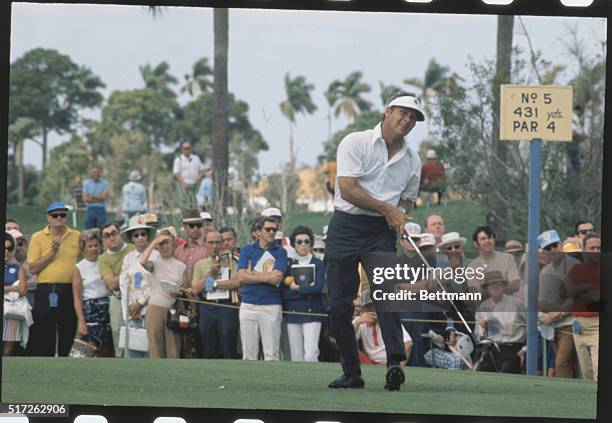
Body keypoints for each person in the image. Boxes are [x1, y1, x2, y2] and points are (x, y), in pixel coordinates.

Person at [325, 90, 424, 391]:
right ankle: (351, 374)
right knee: (339, 306)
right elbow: (348, 188)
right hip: (345, 226)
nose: (407, 120)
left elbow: (407, 201)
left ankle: (395, 363)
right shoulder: (355, 142)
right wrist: (388, 210)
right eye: (402, 113)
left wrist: (401, 219)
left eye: (413, 118)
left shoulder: (412, 160)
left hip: (380, 232)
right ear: (387, 111)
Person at [27, 202, 80, 356]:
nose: (59, 218)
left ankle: (65, 366)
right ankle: (45, 365)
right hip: (46, 289)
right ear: (48, 218)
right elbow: (33, 268)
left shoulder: (76, 235)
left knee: (68, 330)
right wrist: (53, 252)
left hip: (69, 289)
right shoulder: (38, 237)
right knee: (44, 332)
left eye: (62, 215)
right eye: (55, 215)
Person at [237, 216, 288, 361]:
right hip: (248, 304)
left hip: (271, 305)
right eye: (268, 229)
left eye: (274, 229)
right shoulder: (247, 249)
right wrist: (266, 277)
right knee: (248, 354)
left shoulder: (281, 252)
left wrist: (252, 273)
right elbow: (241, 277)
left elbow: (277, 278)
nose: (272, 232)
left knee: (272, 354)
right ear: (258, 231)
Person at [190, 230, 241, 358]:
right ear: (205, 244)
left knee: (228, 345)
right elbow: (195, 290)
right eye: (211, 243)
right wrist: (210, 274)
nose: (214, 246)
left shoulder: (232, 261)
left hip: (227, 306)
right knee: (208, 346)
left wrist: (213, 284)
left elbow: (236, 283)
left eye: (218, 242)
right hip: (207, 306)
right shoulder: (200, 264)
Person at [537, 229, 579, 378]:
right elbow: (541, 300)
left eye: (554, 245)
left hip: (570, 324)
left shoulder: (575, 266)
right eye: (548, 248)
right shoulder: (544, 272)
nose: (552, 250)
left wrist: (558, 314)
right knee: (564, 365)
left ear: (561, 245)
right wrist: (542, 315)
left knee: (562, 364)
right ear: (544, 252)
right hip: (552, 328)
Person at [140, 227, 188, 359]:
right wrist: (154, 242)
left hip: (172, 309)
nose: (164, 246)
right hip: (155, 307)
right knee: (155, 347)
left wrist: (177, 293)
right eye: (161, 244)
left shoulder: (181, 266)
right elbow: (142, 261)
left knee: (173, 348)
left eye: (167, 242)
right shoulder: (154, 263)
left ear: (173, 243)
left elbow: (186, 289)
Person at [281, 226, 326, 362]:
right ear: (293, 244)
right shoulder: (288, 265)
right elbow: (284, 293)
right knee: (296, 355)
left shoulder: (318, 264)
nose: (303, 245)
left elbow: (318, 288)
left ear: (311, 243)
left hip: (313, 313)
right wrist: (306, 288)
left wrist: (297, 288)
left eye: (307, 241)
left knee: (311, 354)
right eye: (299, 242)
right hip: (293, 313)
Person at [563, 233, 600, 381]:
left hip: (598, 324)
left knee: (598, 369)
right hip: (579, 324)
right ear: (584, 250)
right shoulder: (576, 271)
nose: (596, 251)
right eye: (592, 248)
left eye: (599, 247)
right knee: (586, 373)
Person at [119, 215, 157, 358]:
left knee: (150, 352)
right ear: (131, 238)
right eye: (136, 235)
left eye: (143, 234)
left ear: (148, 236)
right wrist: (128, 310)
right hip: (131, 313)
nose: (140, 237)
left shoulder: (156, 256)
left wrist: (140, 304)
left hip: (149, 310)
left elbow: (155, 284)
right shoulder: (128, 258)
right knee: (131, 352)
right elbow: (124, 286)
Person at [474, 271, 526, 374]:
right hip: (490, 349)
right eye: (491, 285)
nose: (495, 287)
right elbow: (478, 335)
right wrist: (482, 328)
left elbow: (533, 326)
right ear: (487, 288)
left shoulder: (517, 304)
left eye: (498, 284)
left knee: (506, 371)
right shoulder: (484, 306)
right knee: (480, 371)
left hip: (512, 349)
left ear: (503, 286)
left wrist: (525, 349)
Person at [72, 229, 113, 357]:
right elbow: (77, 298)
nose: (94, 249)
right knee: (85, 352)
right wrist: (81, 322)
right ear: (83, 248)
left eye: (96, 245)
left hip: (107, 311)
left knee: (106, 352)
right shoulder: (79, 267)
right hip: (90, 312)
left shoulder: (105, 262)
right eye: (90, 246)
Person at [98, 222, 136, 357]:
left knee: (137, 330)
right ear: (103, 240)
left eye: (114, 233)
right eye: (107, 235)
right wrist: (131, 272)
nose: (111, 238)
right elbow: (111, 284)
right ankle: (120, 358)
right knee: (117, 331)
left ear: (119, 234)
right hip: (117, 297)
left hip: (136, 296)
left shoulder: (133, 249)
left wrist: (119, 277)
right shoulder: (103, 259)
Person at [354, 290, 412, 366]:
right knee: (352, 350)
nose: (372, 309)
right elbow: (347, 341)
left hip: (389, 362)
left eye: (375, 306)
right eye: (369, 306)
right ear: (364, 308)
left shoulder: (388, 320)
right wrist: (358, 322)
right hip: (369, 363)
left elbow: (408, 343)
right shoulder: (360, 321)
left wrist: (397, 364)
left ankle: (396, 369)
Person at [466, 226, 522, 301]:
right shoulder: (472, 267)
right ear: (476, 243)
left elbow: (515, 285)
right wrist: (501, 288)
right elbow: (475, 296)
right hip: (485, 309)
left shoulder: (508, 258)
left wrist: (490, 290)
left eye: (490, 238)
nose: (487, 241)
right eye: (483, 239)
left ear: (494, 240)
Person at [3, 232, 28, 355]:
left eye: (9, 248)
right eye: (4, 248)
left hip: (11, 310)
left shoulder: (19, 268)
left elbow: (23, 289)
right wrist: (13, 287)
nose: (6, 251)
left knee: (8, 349)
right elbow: (18, 287)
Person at [173, 142, 205, 207]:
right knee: (183, 202)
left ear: (190, 149)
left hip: (194, 184)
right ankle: (183, 216)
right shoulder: (178, 159)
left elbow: (202, 170)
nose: (186, 150)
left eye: (188, 148)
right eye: (184, 148)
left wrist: (198, 178)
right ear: (182, 150)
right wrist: (183, 183)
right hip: (182, 184)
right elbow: (176, 173)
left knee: (194, 202)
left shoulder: (196, 158)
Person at [82, 165, 110, 229]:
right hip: (90, 209)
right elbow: (85, 198)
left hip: (101, 209)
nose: (96, 174)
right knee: (88, 231)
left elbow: (104, 197)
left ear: (100, 173)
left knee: (101, 230)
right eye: (94, 172)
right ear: (91, 173)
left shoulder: (105, 183)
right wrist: (99, 197)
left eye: (97, 172)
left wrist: (92, 197)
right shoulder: (86, 183)